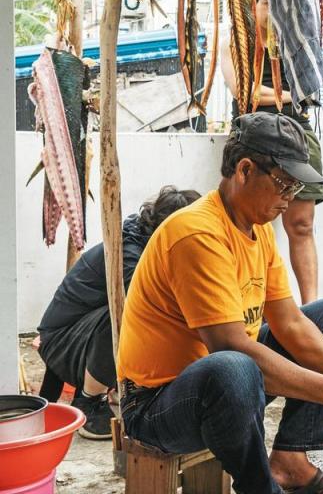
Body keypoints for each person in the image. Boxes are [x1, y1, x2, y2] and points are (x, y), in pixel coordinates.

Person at [116, 113, 323, 494]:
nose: (290, 198)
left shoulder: (256, 230)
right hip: (156, 403)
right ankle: (259, 487)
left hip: (223, 381)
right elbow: (229, 345)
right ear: (245, 170)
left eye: (296, 186)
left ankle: (291, 462)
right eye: (283, 183)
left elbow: (291, 322)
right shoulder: (196, 233)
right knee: (235, 366)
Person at [37, 186, 201, 440]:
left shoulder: (151, 243)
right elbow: (158, 305)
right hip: (63, 341)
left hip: (84, 336)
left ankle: (118, 386)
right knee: (134, 311)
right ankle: (88, 401)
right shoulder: (127, 251)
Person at [221, 0, 323, 304]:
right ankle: (243, 301)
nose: (273, 9)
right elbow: (245, 91)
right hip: (252, 136)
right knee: (241, 223)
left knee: (301, 224)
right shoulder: (235, 42)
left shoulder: (295, 44)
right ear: (253, 6)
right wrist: (292, 96)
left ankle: (311, 307)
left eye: (279, 4)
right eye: (267, 2)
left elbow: (314, 81)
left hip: (297, 133)